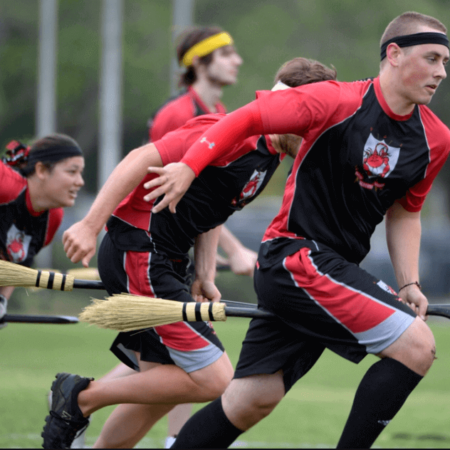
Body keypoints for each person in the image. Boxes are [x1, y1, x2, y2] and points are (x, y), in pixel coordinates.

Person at [138, 11, 450, 449]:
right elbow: (246, 118)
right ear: (394, 55)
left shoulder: (436, 139)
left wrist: (410, 282)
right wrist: (189, 168)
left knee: (252, 400)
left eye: (445, 62)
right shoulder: (335, 100)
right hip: (295, 258)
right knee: (418, 346)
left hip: (330, 271)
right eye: (432, 58)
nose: (441, 72)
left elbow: (406, 212)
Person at [40, 57, 337, 449]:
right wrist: (89, 225)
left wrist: (205, 274)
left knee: (162, 391)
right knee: (214, 379)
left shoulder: (270, 156)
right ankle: (80, 397)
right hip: (141, 251)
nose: (314, 132)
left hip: (166, 259)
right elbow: (139, 158)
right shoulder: (227, 132)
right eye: (312, 118)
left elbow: (213, 212)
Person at [0, 135, 84, 329]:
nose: (80, 181)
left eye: (81, 173)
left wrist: (2, 301)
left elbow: (14, 266)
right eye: (72, 172)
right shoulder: (5, 183)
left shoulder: (53, 218)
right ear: (41, 170)